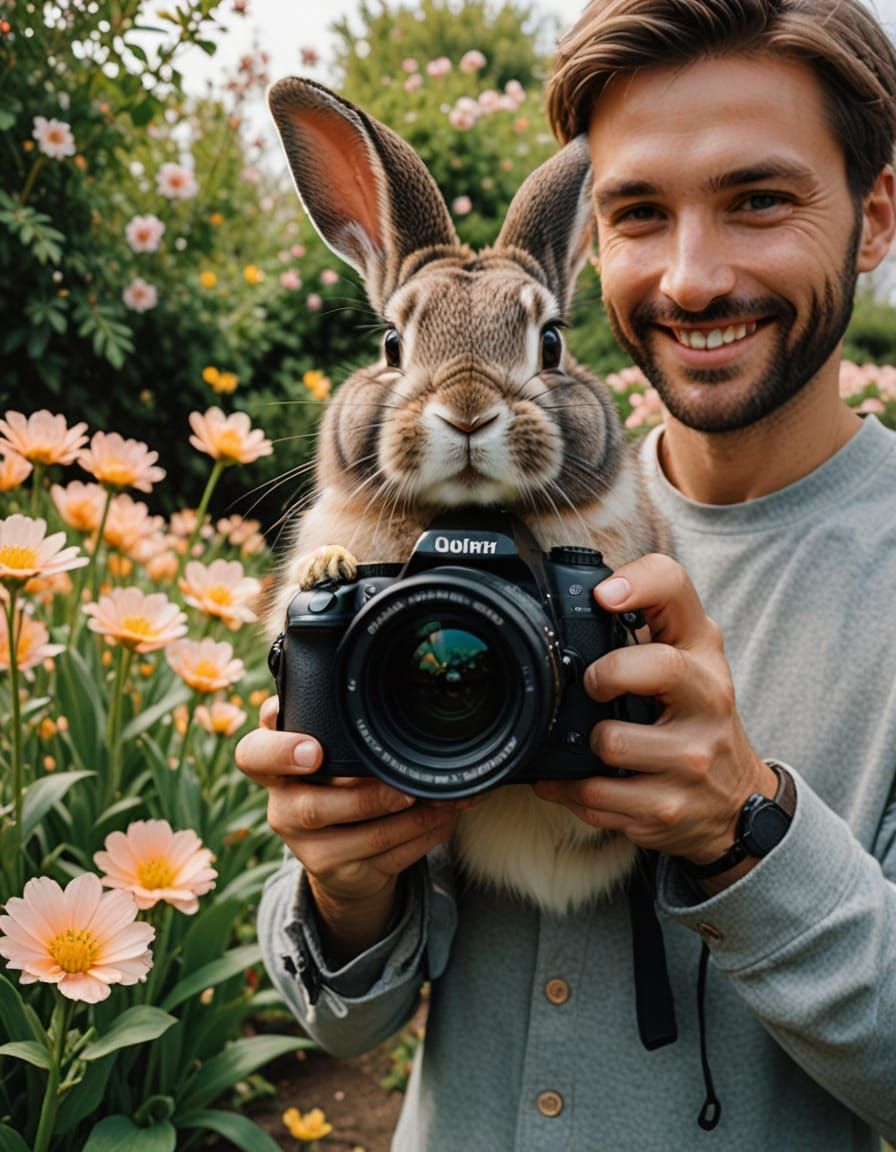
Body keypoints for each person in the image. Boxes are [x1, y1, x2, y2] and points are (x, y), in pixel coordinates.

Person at [236, 0, 896, 1146]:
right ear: (595, 237)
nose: (690, 278)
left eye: (758, 200)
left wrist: (747, 834)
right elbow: (341, 1021)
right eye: (638, 212)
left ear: (873, 218)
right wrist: (346, 887)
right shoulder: (434, 528)